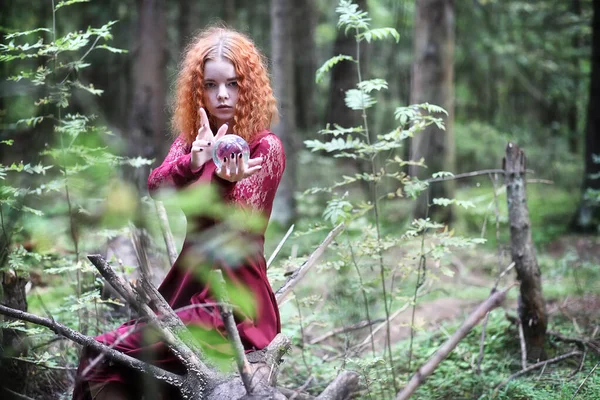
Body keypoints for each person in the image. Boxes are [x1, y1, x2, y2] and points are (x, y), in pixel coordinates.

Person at [72, 26, 285, 400]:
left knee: (100, 351)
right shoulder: (193, 140)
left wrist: (222, 180)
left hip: (232, 303)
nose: (222, 94)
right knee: (109, 359)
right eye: (211, 84)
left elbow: (235, 227)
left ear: (248, 87)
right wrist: (193, 160)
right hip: (185, 292)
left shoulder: (264, 148)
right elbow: (156, 187)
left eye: (233, 84)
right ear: (197, 89)